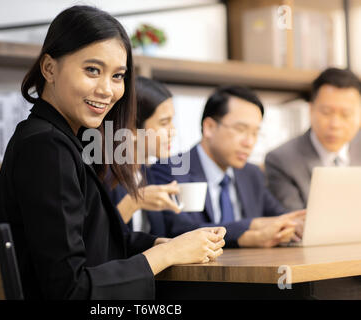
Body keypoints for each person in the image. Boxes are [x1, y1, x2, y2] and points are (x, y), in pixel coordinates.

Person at [0, 6, 225, 300]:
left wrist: (159, 245)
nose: (107, 89)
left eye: (118, 76)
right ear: (49, 68)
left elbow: (95, 243)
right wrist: (166, 255)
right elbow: (68, 290)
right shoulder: (47, 146)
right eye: (92, 70)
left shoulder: (64, 141)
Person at [151, 86, 305, 248]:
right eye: (241, 130)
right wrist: (251, 229)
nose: (249, 142)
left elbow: (278, 217)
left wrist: (295, 225)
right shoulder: (175, 169)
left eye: (255, 133)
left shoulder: (250, 174)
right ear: (209, 127)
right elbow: (182, 230)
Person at [265, 68, 361, 211]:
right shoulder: (282, 160)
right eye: (326, 112)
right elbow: (294, 223)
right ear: (310, 110)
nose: (335, 124)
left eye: (346, 114)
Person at [106, 76, 182, 236]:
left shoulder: (146, 173)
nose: (172, 132)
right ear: (132, 129)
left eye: (172, 122)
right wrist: (134, 202)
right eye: (163, 123)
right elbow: (97, 242)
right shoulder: (104, 176)